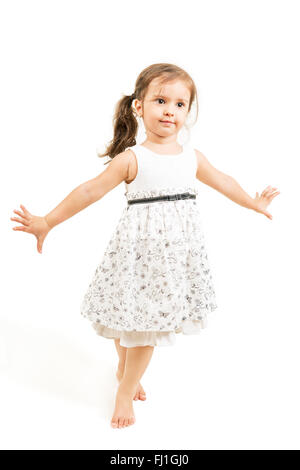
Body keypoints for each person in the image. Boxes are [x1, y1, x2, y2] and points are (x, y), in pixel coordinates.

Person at [10, 63, 280, 429]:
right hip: (139, 256)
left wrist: (253, 202)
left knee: (141, 325)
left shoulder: (191, 157)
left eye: (180, 104)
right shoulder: (133, 158)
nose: (170, 110)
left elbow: (224, 182)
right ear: (139, 106)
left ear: (188, 112)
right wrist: (48, 221)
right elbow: (89, 190)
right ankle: (125, 389)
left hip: (173, 261)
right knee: (134, 322)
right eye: (160, 100)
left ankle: (126, 371)